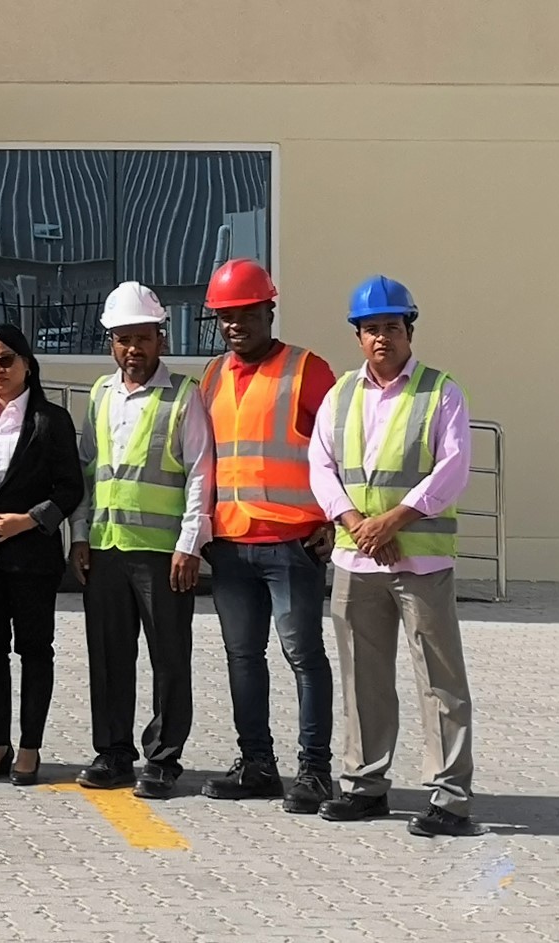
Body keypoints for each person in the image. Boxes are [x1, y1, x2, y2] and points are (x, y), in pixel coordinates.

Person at [312, 275, 479, 837]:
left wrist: (395, 519)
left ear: (409, 329)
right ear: (358, 336)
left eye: (391, 326)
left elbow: (452, 468)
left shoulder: (441, 392)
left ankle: (450, 798)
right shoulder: (339, 395)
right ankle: (364, 786)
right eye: (370, 329)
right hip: (356, 560)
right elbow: (321, 467)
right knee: (362, 678)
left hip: (420, 563)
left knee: (440, 680)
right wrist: (357, 523)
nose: (381, 337)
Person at [193, 255, 340, 812]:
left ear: (268, 310)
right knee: (243, 657)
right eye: (225, 316)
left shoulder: (308, 370)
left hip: (293, 543)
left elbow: (338, 452)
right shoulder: (210, 376)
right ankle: (257, 764)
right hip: (231, 546)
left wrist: (331, 520)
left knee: (303, 655)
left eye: (246, 312)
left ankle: (315, 771)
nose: (235, 324)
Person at [74, 281, 209, 798]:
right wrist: (80, 535)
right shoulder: (101, 394)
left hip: (162, 553)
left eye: (144, 338)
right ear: (111, 342)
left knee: (169, 658)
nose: (134, 349)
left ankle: (163, 759)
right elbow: (89, 470)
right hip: (106, 548)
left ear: (161, 338)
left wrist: (190, 544)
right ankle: (112, 753)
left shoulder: (184, 396)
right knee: (108, 657)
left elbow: (201, 473)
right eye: (124, 339)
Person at [0, 321, 86, 786]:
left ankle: (29, 746)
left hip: (32, 555)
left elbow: (70, 487)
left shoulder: (52, 420)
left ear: (27, 365)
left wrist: (29, 520)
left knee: (35, 649)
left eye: (5, 360)